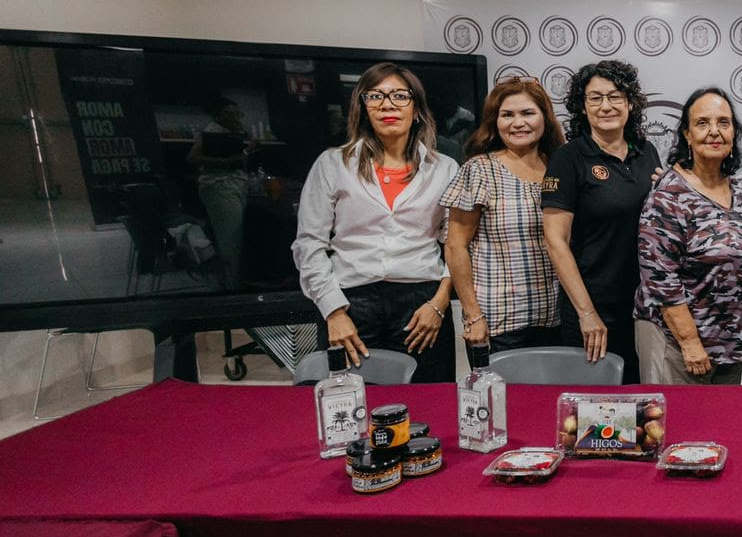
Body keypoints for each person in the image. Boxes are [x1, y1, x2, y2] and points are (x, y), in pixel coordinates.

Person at [292, 63, 459, 383]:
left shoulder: (444, 169)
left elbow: (457, 244)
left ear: (417, 109)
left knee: (429, 401)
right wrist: (333, 312)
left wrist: (439, 304)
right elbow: (309, 243)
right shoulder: (333, 164)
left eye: (399, 95)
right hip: (351, 301)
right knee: (353, 405)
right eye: (375, 96)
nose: (387, 104)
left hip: (421, 304)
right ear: (362, 107)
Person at [635, 87, 742, 384]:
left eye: (723, 122)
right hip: (680, 345)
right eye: (703, 123)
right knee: (677, 427)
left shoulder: (735, 188)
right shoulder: (669, 194)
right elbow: (660, 278)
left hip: (733, 344)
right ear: (686, 134)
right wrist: (690, 342)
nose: (714, 132)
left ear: (734, 132)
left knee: (722, 428)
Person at [544, 60, 662, 382]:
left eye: (615, 96)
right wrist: (586, 313)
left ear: (630, 103)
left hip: (641, 308)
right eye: (595, 98)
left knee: (640, 405)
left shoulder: (647, 152)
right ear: (582, 107)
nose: (606, 106)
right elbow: (555, 241)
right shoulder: (568, 159)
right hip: (593, 308)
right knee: (593, 411)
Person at [440, 78, 565, 354]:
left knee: (550, 398)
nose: (517, 123)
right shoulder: (480, 170)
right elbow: (455, 246)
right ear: (494, 122)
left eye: (527, 113)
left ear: (545, 117)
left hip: (555, 319)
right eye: (507, 115)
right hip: (498, 323)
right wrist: (473, 315)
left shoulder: (560, 167)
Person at [187, 95, 255, 287]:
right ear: (218, 116)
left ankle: (232, 281)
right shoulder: (213, 132)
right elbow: (192, 158)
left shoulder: (234, 131)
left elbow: (238, 159)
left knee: (234, 236)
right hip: (220, 187)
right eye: (228, 113)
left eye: (236, 113)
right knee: (231, 240)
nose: (234, 117)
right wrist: (226, 161)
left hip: (233, 185)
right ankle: (233, 287)